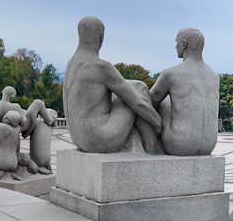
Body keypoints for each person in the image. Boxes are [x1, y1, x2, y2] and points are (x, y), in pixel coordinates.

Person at [63, 17, 163, 154]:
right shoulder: (100, 66)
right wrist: (158, 124)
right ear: (101, 37)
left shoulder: (71, 64)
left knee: (125, 88)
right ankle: (153, 147)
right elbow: (138, 103)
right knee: (138, 87)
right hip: (101, 139)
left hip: (79, 139)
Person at [148, 28, 220, 155]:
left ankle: (151, 146)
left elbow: (150, 101)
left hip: (179, 145)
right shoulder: (214, 76)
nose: (175, 46)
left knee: (165, 101)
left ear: (184, 44)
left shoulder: (171, 73)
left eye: (177, 42)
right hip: (209, 145)